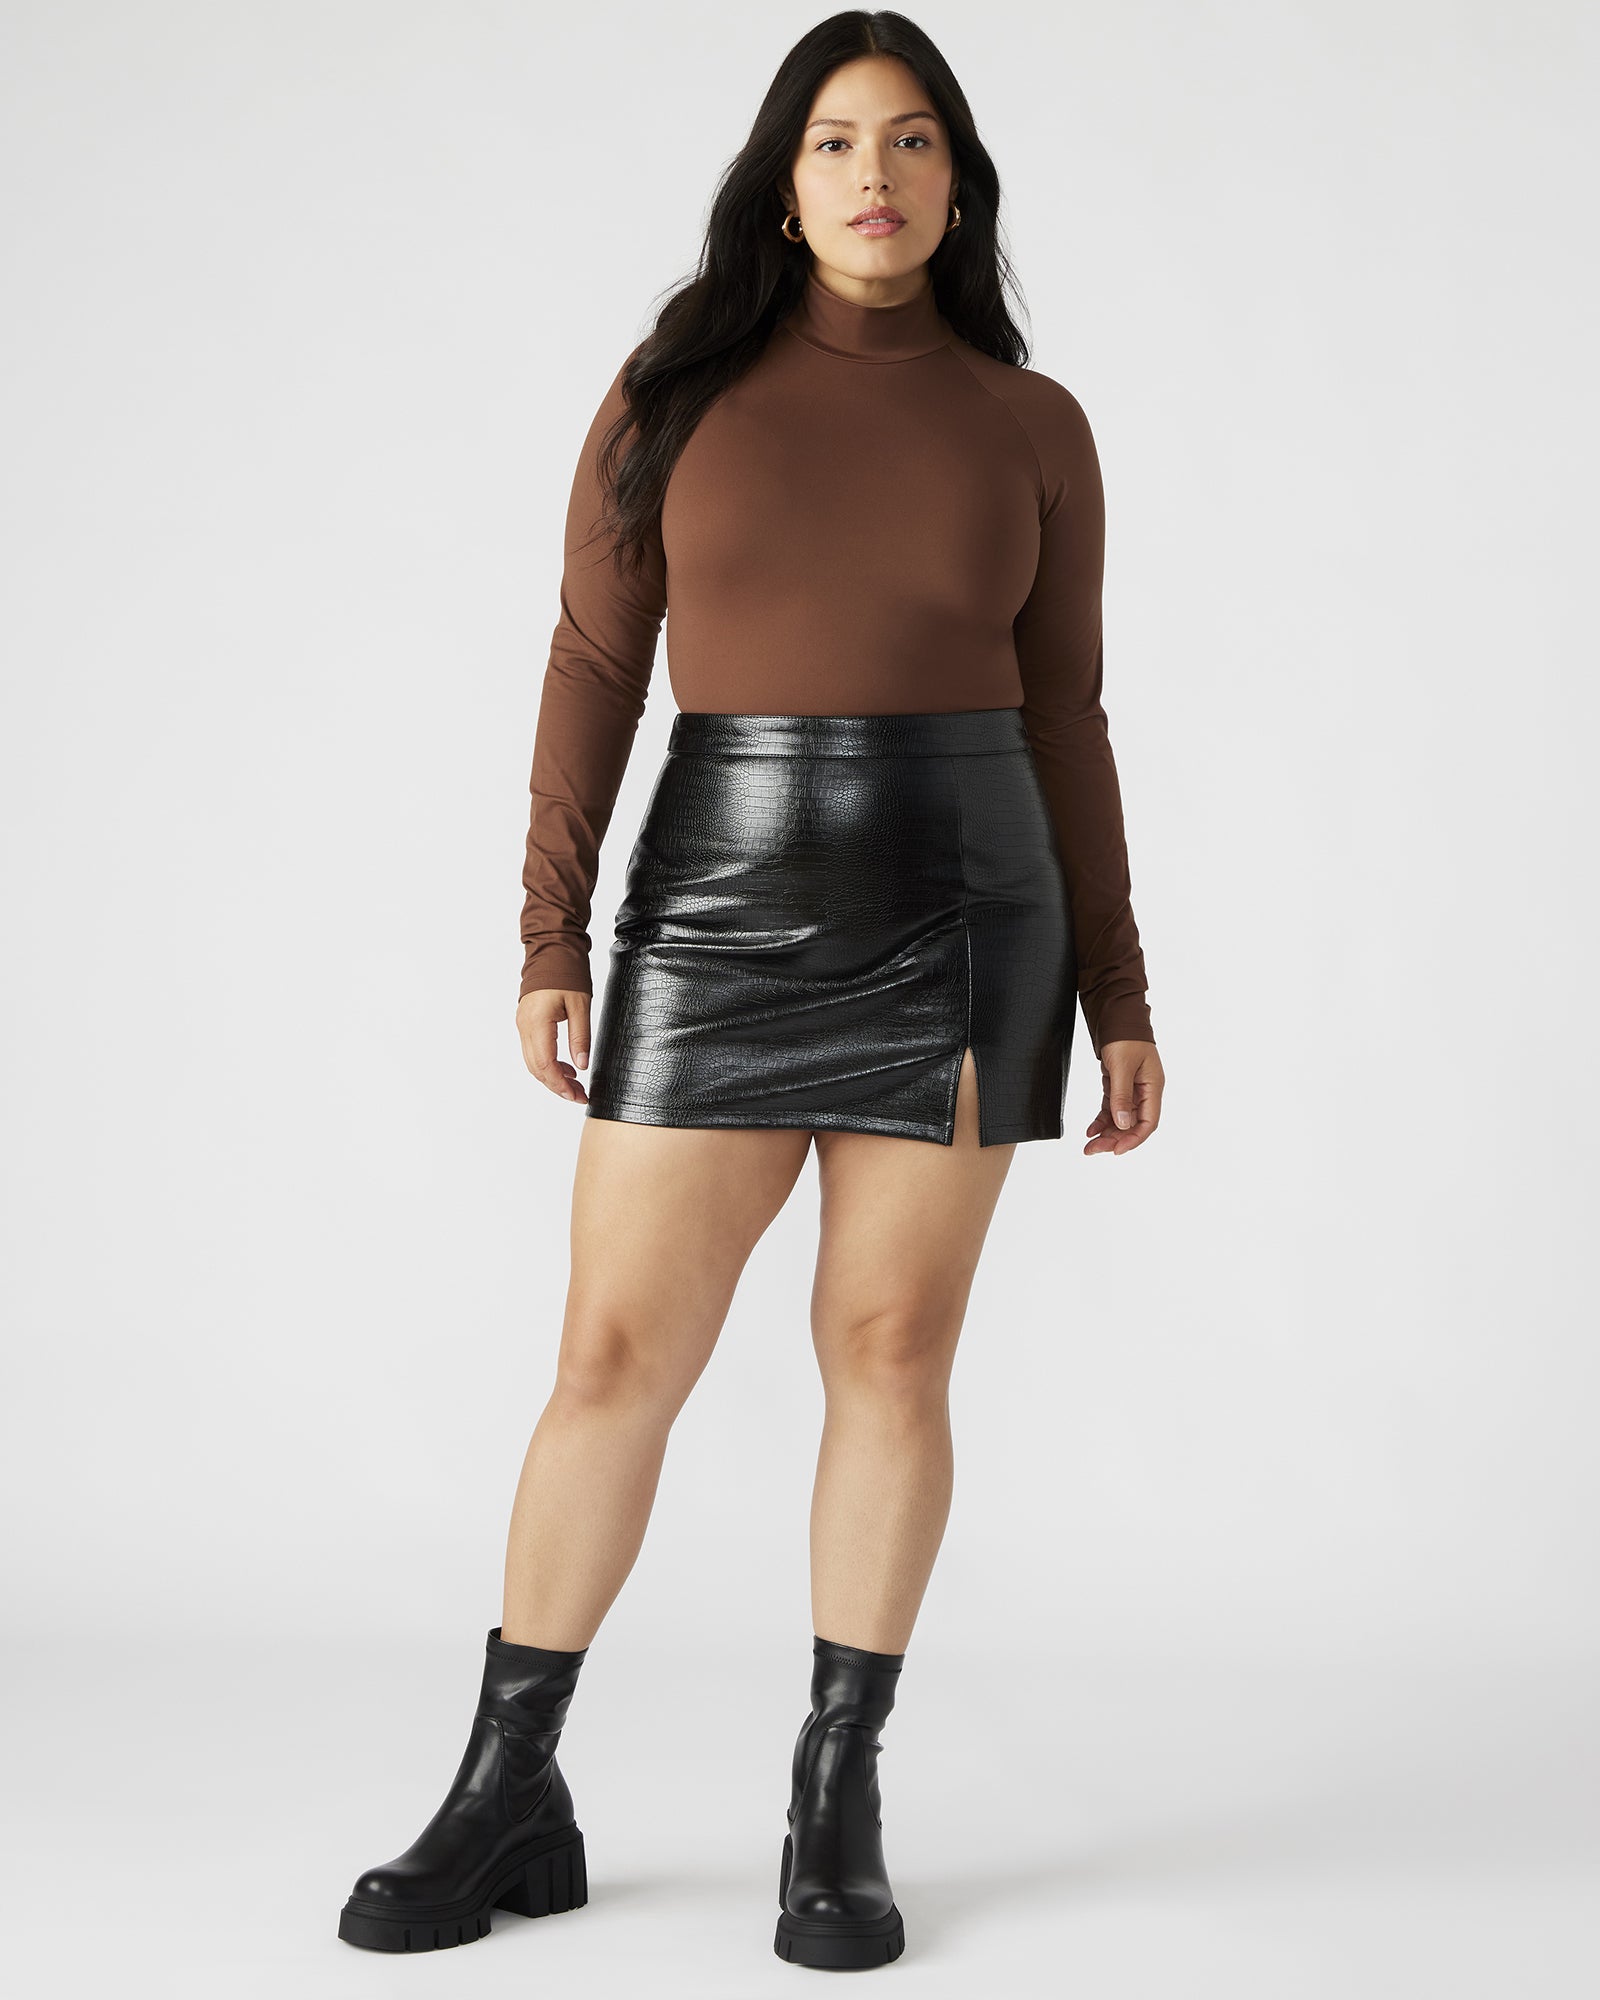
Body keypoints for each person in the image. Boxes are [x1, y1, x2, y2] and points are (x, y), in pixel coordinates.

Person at [338, 10, 1164, 1972]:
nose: (874, 173)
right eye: (833, 141)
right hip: (715, 898)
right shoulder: (672, 391)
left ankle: (833, 1797)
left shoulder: (1031, 424)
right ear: (783, 185)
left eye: (911, 140)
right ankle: (507, 1787)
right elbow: (590, 663)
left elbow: (1067, 715)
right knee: (613, 1354)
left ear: (956, 182)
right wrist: (550, 934)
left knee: (887, 1349)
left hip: (968, 910)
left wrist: (1118, 986)